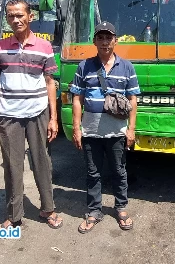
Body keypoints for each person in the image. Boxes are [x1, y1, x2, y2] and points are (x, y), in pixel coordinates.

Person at [0, 0, 63, 229]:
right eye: (11, 16)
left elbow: (50, 83)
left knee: (42, 163)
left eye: (20, 15)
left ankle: (48, 209)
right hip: (8, 116)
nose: (15, 19)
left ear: (30, 17)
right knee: (12, 166)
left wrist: (53, 118)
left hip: (38, 113)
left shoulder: (44, 47)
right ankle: (13, 213)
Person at [69, 21, 140, 234]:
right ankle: (94, 211)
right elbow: (76, 99)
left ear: (115, 41)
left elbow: (133, 100)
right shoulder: (84, 66)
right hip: (90, 130)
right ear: (94, 41)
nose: (104, 42)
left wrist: (131, 129)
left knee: (119, 171)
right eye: (100, 37)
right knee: (93, 172)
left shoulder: (126, 66)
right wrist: (76, 128)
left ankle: (121, 207)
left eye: (108, 38)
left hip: (117, 131)